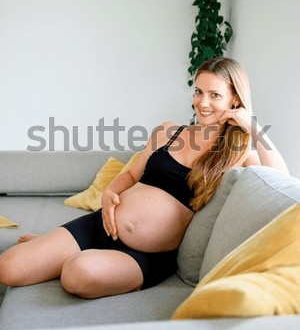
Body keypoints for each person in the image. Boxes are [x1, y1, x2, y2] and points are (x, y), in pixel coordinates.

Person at [0, 57, 288, 299]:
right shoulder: (168, 131)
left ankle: (58, 250)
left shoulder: (236, 156)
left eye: (215, 95)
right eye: (198, 92)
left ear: (235, 99)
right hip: (101, 225)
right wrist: (109, 192)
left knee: (76, 274)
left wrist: (253, 126)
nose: (203, 103)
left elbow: (280, 182)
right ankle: (56, 247)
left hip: (145, 256)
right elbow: (131, 176)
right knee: (7, 267)